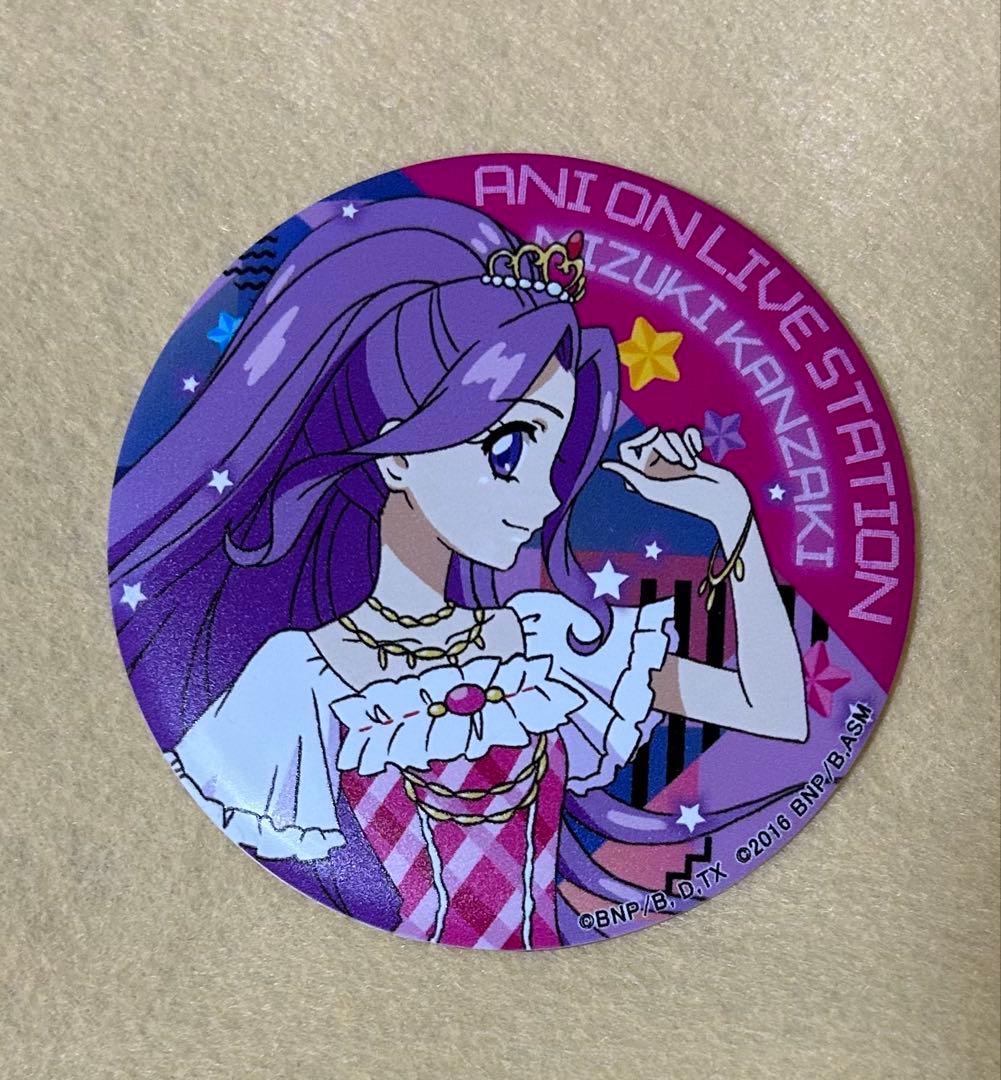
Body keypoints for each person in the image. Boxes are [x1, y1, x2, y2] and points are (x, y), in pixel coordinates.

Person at [109, 196, 806, 948]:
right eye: (508, 452)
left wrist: (730, 515)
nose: (545, 499)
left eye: (552, 458)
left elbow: (775, 712)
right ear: (397, 453)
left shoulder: (545, 641)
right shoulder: (294, 680)